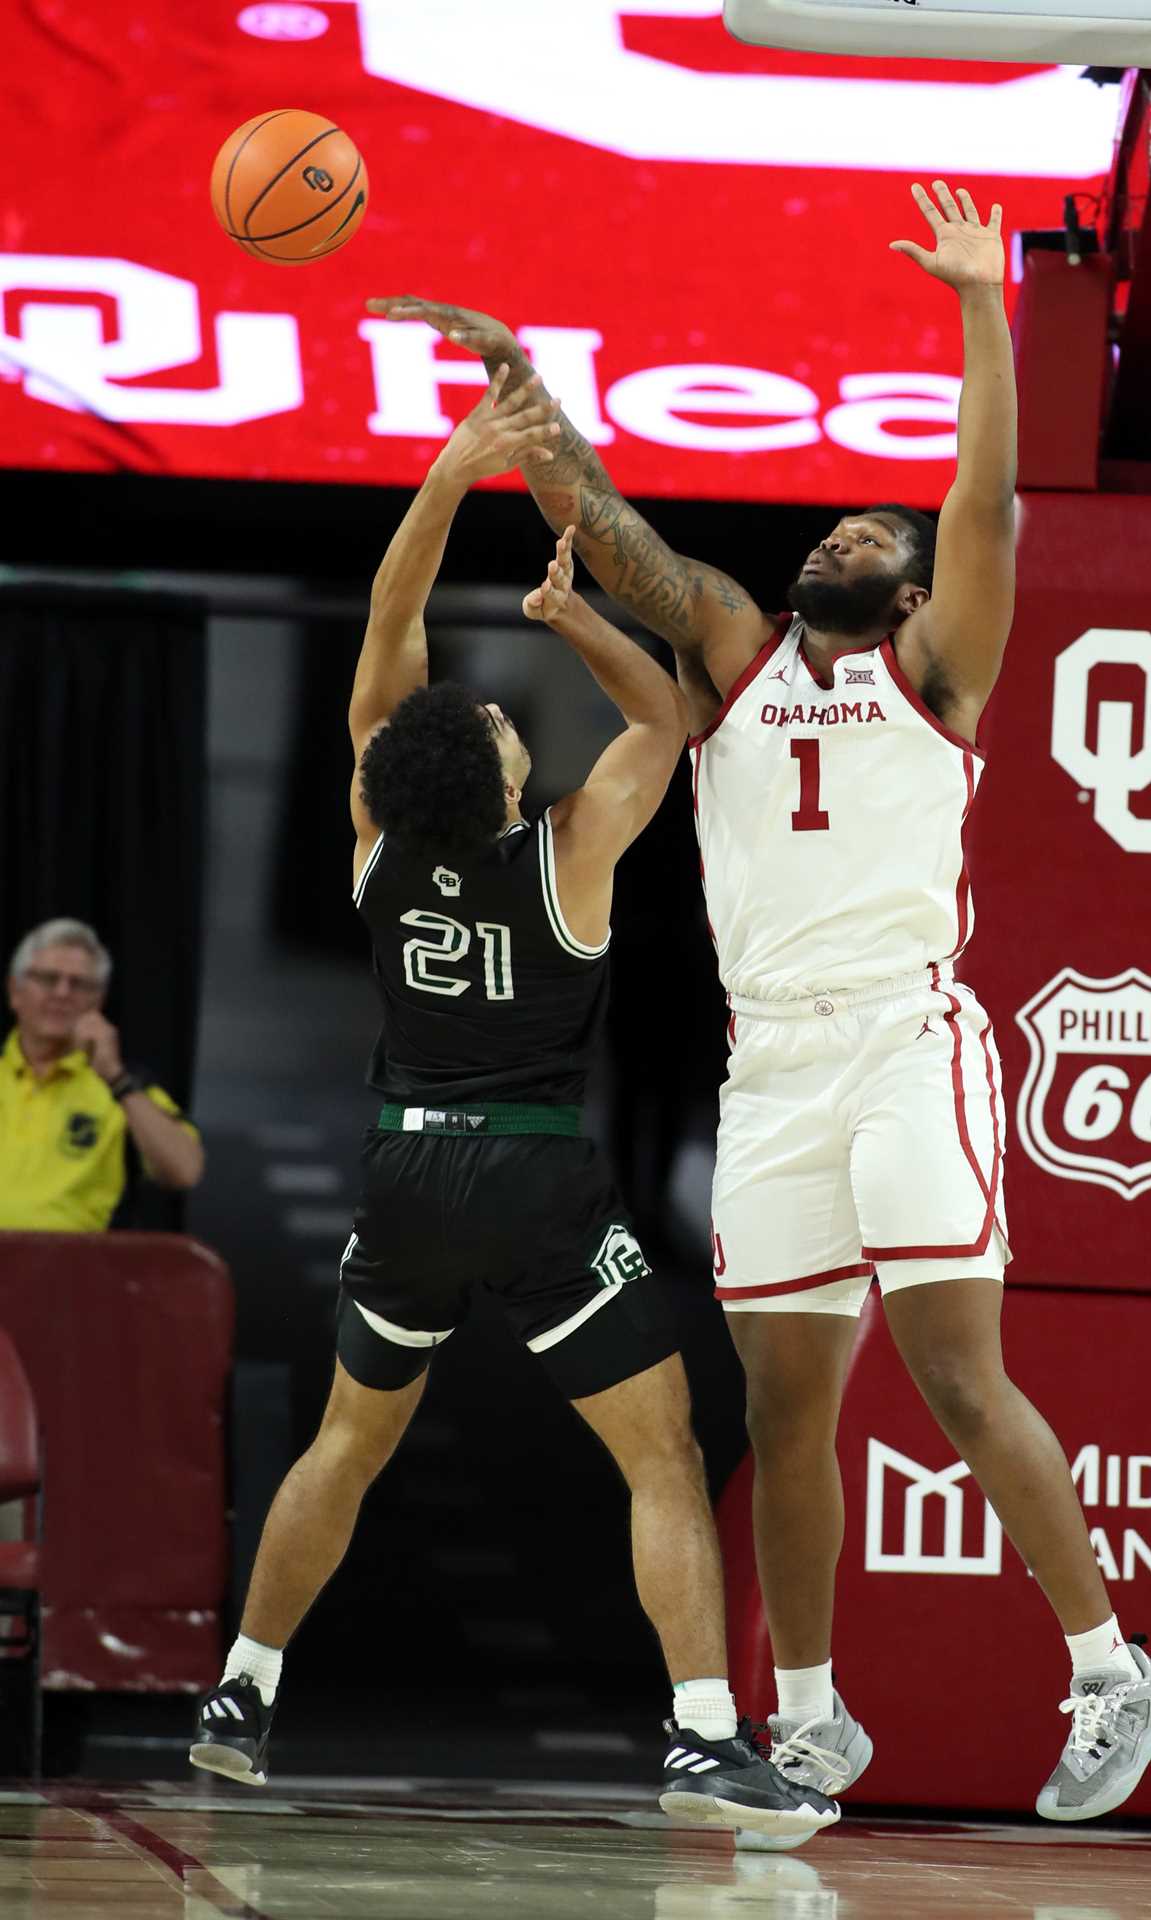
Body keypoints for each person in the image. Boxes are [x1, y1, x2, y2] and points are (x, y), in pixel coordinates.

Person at [366, 180, 1151, 1829]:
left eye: (869, 539)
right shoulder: (738, 647)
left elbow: (989, 502)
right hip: (773, 1064)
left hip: (904, 1039)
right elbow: (614, 531)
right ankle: (806, 1720)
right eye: (833, 531)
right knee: (782, 1409)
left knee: (955, 1372)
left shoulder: (937, 668)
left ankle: (1112, 1669)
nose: (838, 539)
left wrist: (974, 305)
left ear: (905, 586)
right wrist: (525, 395)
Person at [189, 367, 838, 1845]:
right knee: (661, 1451)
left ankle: (241, 1691)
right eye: (490, 721)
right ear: (491, 778)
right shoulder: (568, 854)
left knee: (347, 1446)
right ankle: (694, 1738)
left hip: (407, 1179)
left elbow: (385, 630)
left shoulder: (379, 847)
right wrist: (570, 618)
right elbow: (672, 721)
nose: (493, 713)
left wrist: (440, 482)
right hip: (536, 1180)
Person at [0, 917, 203, 1230]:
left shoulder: (124, 1085)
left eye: (80, 984)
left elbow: (184, 1171)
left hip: (78, 1270)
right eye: (48, 978)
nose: (62, 992)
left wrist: (115, 1078)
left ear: (98, 1001)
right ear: (15, 991)